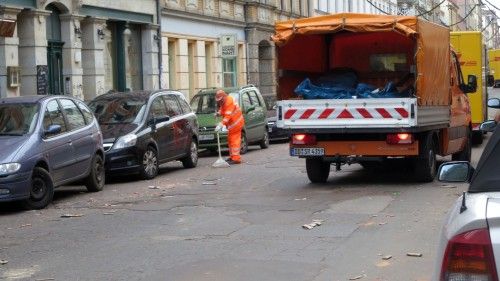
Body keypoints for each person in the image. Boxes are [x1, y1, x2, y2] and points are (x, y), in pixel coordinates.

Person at [215, 90, 245, 165]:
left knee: (234, 141)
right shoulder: (224, 101)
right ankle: (232, 157)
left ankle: (236, 158)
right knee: (230, 140)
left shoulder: (229, 101)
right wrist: (218, 113)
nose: (220, 101)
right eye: (219, 100)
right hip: (233, 125)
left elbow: (227, 116)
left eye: (221, 100)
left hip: (236, 123)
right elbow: (223, 109)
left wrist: (221, 124)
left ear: (224, 97)